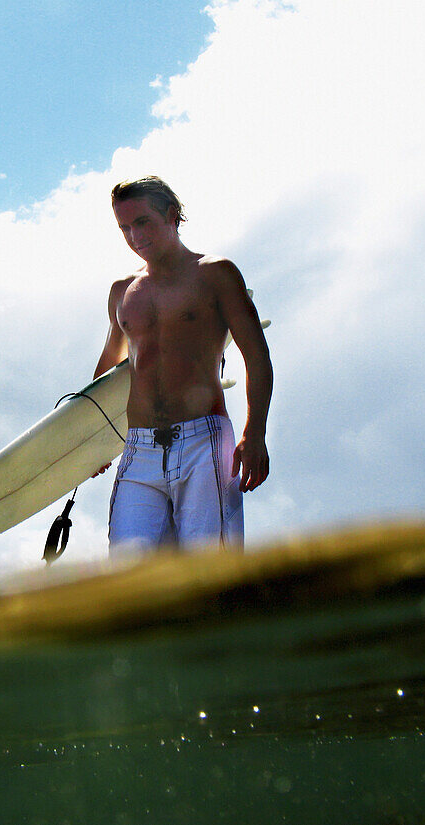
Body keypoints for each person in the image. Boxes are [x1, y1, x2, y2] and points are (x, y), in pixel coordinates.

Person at [93, 176, 273, 559]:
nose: (133, 235)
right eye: (124, 227)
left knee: (209, 576)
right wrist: (90, 445)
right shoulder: (122, 292)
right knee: (129, 576)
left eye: (142, 222)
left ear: (172, 216)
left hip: (202, 443)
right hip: (138, 449)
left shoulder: (215, 273)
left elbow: (256, 355)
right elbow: (108, 368)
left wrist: (254, 433)